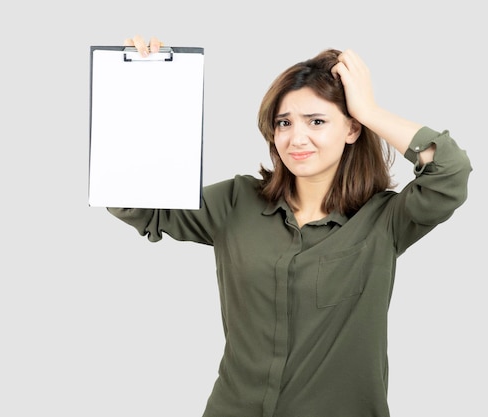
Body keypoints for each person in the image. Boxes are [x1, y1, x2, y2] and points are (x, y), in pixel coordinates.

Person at [106, 36, 472, 417]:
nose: (297, 138)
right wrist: (140, 88)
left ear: (351, 129)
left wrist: (368, 110)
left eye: (317, 121)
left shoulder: (384, 219)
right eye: (284, 123)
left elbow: (449, 172)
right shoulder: (236, 201)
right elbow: (131, 200)